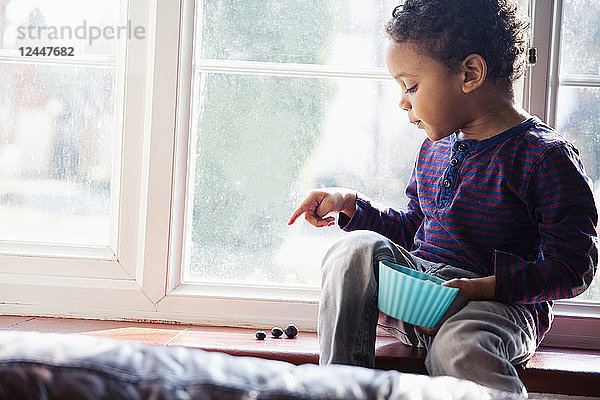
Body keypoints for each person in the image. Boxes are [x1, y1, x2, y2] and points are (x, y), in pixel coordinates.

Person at [287, 0, 598, 395]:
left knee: (459, 348)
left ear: (470, 73)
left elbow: (573, 267)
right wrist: (351, 205)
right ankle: (340, 389)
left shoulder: (545, 158)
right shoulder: (434, 148)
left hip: (495, 309)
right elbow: (415, 228)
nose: (403, 101)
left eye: (411, 86)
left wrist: (481, 288)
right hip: (423, 296)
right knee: (352, 250)